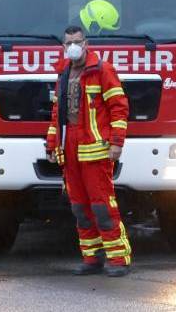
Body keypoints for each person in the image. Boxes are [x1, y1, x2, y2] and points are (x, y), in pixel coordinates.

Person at [46, 25, 132, 276]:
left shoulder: (102, 70)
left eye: (77, 41)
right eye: (68, 42)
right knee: (79, 207)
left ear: (86, 43)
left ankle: (118, 259)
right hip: (70, 148)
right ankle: (92, 258)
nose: (72, 46)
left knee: (102, 206)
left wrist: (117, 142)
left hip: (94, 148)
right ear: (63, 46)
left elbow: (119, 108)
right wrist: (52, 144)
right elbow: (56, 115)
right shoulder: (63, 74)